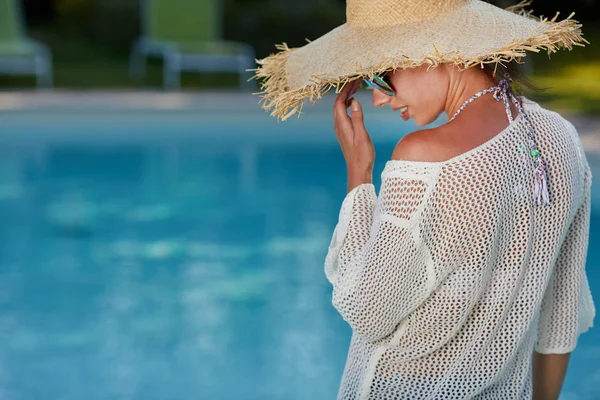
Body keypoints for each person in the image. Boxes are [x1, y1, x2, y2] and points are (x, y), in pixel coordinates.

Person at [253, 0, 595, 399]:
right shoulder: (561, 138)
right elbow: (560, 317)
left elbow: (367, 312)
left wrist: (358, 175)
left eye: (381, 76)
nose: (378, 99)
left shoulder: (424, 158)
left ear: (435, 48)